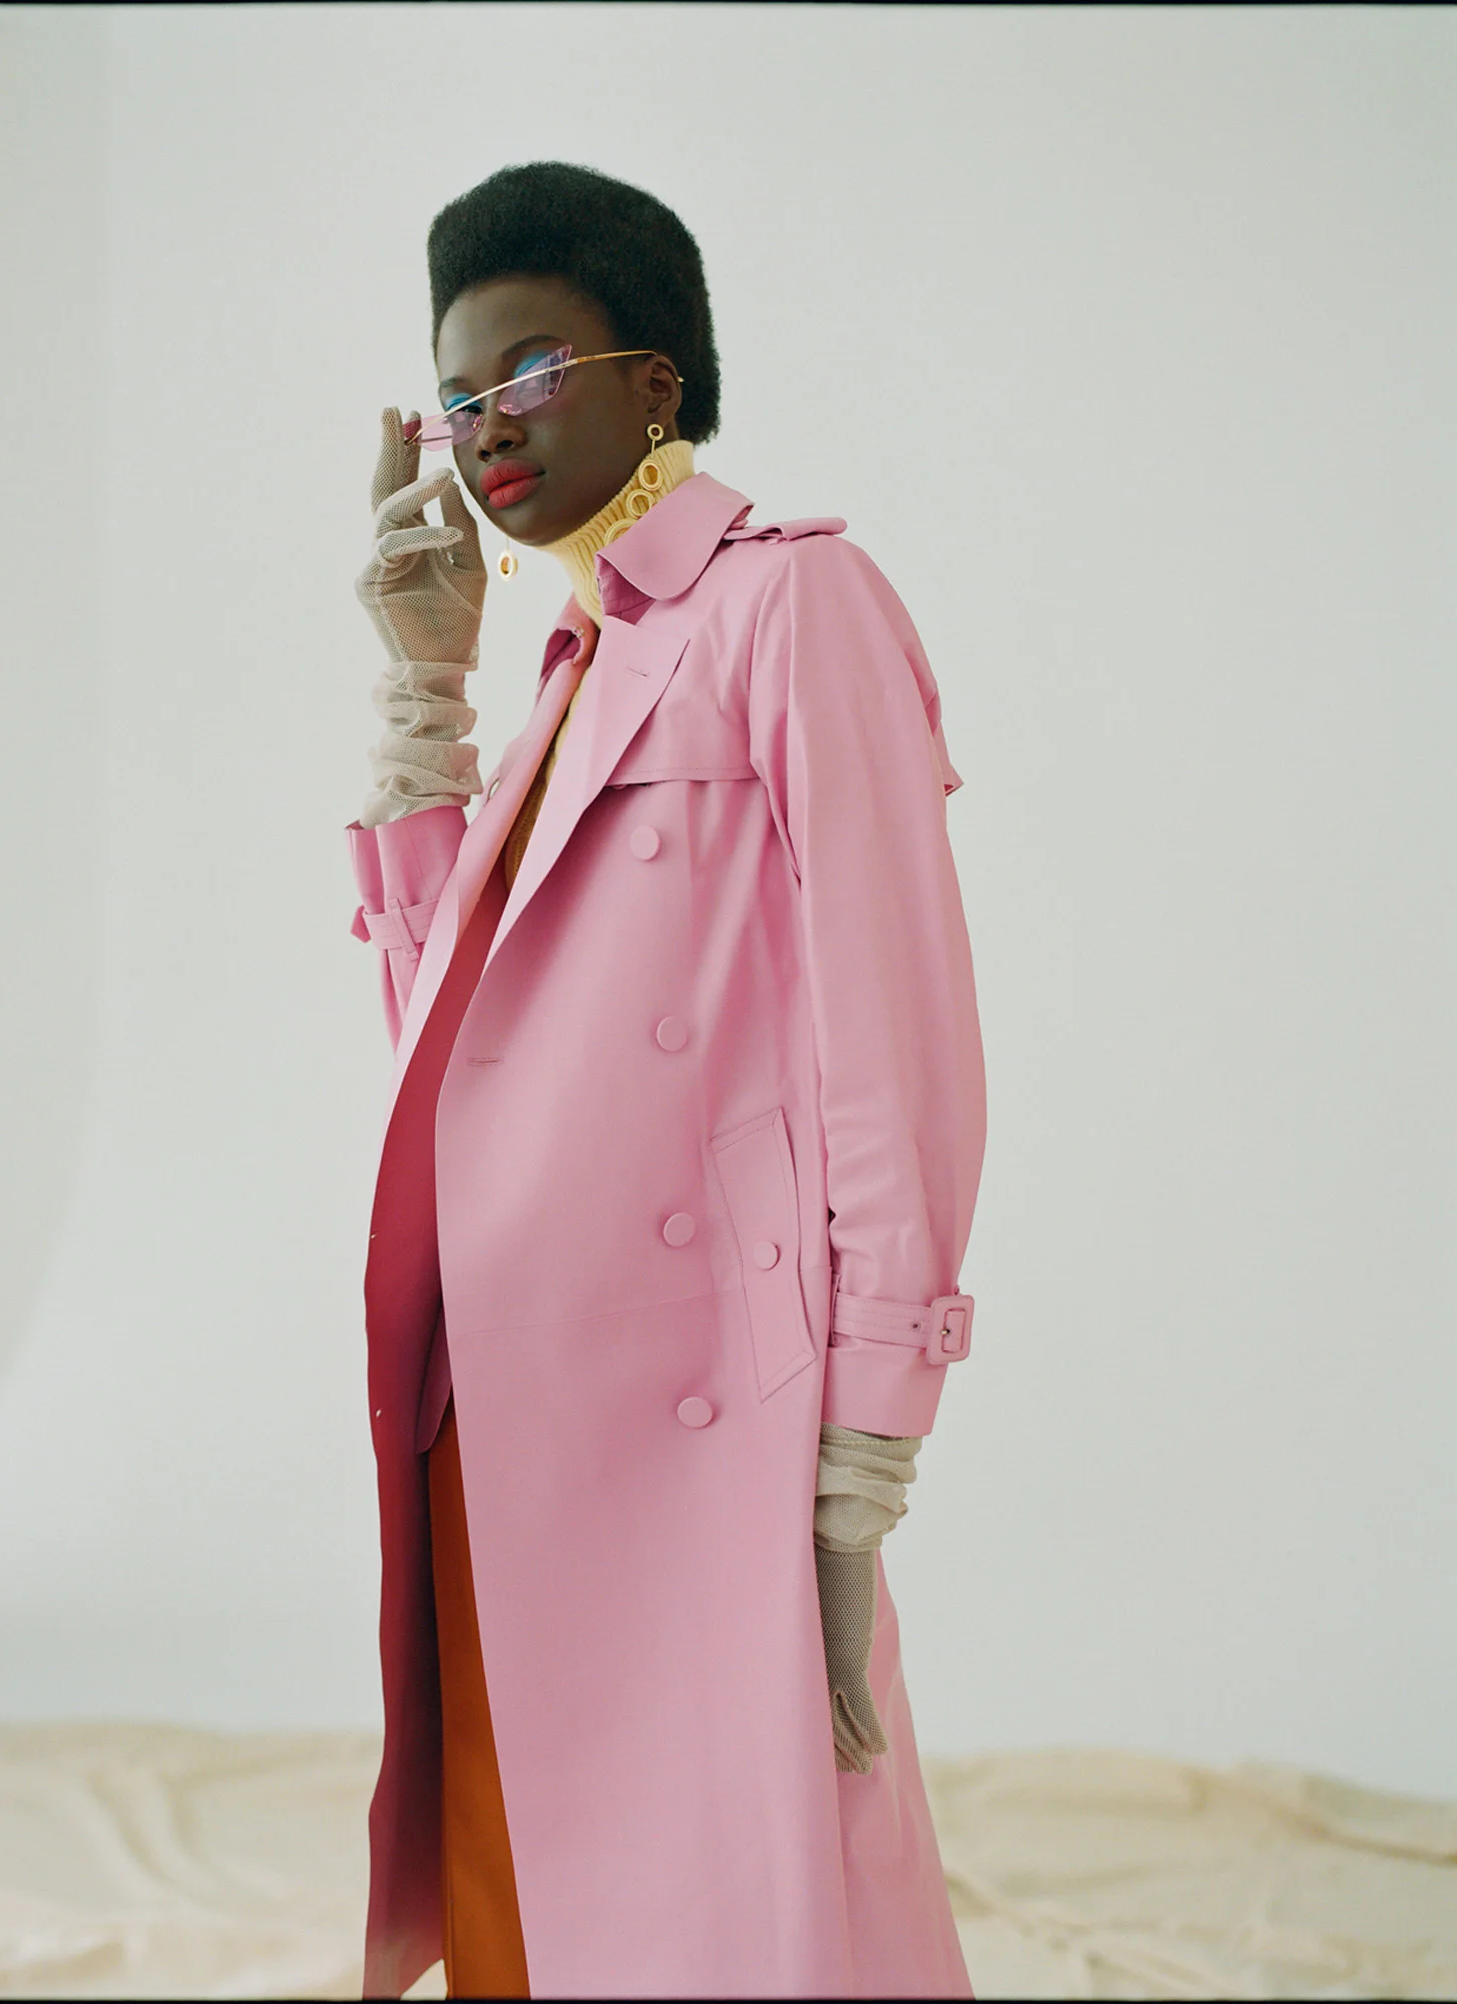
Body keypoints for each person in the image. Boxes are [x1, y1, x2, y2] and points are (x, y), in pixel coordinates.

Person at [346, 161, 986, 2001]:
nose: (486, 425)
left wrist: (867, 1446)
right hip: (502, 1396)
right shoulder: (575, 664)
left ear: (657, 378)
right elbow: (449, 1057)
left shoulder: (795, 601)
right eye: (457, 394)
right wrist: (425, 691)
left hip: (707, 1409)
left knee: (738, 1903)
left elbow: (899, 1033)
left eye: (530, 370)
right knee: (529, 1892)